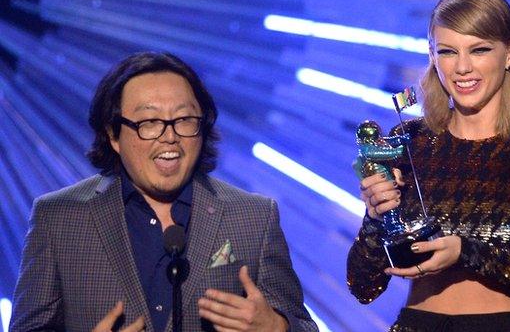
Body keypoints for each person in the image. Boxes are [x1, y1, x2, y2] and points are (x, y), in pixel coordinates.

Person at [10, 52, 318, 332]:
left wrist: (277, 328)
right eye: (149, 122)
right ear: (114, 135)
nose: (169, 136)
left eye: (184, 120)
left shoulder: (253, 217)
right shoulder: (59, 217)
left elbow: (302, 324)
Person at [348, 0, 510, 331]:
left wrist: (467, 252)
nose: (462, 67)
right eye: (448, 51)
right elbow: (362, 286)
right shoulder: (408, 143)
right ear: (433, 56)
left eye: (478, 49)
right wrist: (376, 216)